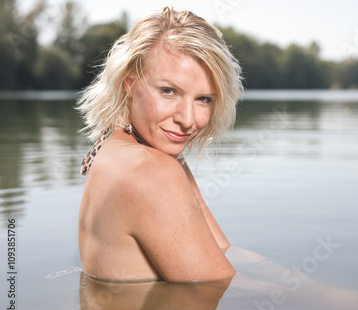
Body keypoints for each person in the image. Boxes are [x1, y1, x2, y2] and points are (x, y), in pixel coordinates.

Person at [77, 6, 242, 283]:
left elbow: (224, 250)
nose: (188, 120)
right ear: (129, 83)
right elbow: (220, 287)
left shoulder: (120, 145)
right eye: (169, 91)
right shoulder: (152, 170)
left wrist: (313, 288)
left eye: (204, 99)